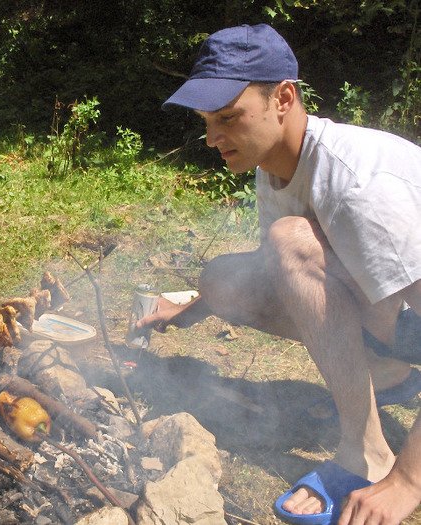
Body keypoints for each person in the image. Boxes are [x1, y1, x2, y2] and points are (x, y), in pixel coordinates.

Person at [138, 23, 421, 525]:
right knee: (226, 279)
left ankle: (368, 453)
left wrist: (407, 483)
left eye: (228, 117)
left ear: (283, 98)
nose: (211, 138)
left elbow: (298, 254)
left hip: (410, 317)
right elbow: (287, 273)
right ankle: (388, 374)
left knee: (289, 241)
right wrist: (195, 307)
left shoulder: (358, 187)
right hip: (396, 315)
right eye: (206, 120)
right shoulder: (275, 163)